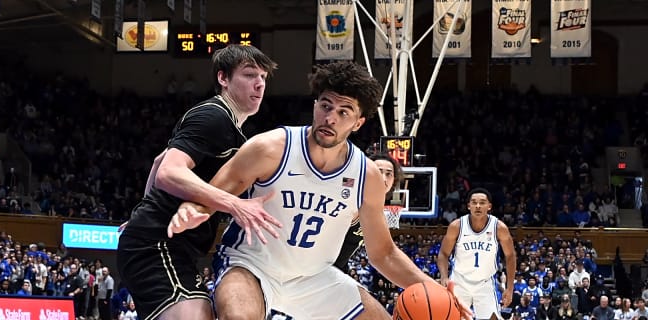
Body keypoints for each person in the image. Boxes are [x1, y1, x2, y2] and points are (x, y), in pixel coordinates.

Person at [167, 61, 472, 319]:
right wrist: (190, 209)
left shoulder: (367, 175)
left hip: (315, 278)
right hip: (252, 266)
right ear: (315, 105)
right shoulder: (270, 148)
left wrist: (434, 289)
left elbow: (383, 253)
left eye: (344, 112)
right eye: (326, 106)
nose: (330, 118)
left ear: (358, 123)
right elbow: (210, 195)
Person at [116, 44, 278, 320]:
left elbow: (158, 161)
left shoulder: (232, 128)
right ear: (223, 78)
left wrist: (139, 213)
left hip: (169, 247)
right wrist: (234, 203)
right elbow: (168, 171)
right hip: (157, 246)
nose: (259, 84)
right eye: (250, 74)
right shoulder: (213, 115)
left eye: (263, 77)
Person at [438, 187, 517, 320]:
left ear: (489, 206)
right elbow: (443, 254)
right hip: (459, 281)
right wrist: (444, 277)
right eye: (474, 202)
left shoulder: (499, 228)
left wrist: (510, 288)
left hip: (485, 283)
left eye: (482, 202)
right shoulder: (456, 226)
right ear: (468, 206)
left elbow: (510, 256)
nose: (478, 206)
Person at [333, 152, 404, 273]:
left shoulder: (377, 212)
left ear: (394, 180)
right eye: (378, 172)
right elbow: (338, 181)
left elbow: (387, 253)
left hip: (336, 270)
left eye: (388, 174)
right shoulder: (351, 195)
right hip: (314, 268)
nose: (383, 178)